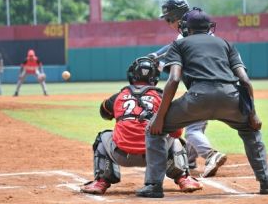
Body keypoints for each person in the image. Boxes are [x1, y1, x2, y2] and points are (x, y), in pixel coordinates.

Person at [137, 8, 268, 198]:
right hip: (231, 98)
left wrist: (159, 118)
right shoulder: (225, 43)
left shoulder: (179, 45)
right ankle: (266, 183)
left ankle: (153, 186)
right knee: (251, 131)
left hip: (197, 99)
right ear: (209, 27)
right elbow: (245, 80)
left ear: (186, 27)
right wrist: (253, 114)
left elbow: (174, 79)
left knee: (154, 130)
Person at [80, 57, 202, 195]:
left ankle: (101, 181)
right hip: (154, 155)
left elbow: (104, 113)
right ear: (155, 77)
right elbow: (176, 133)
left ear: (132, 75)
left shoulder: (119, 95)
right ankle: (184, 178)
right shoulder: (162, 96)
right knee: (175, 139)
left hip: (121, 155)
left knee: (103, 137)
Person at [148, 0, 227, 178]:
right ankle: (190, 159)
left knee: (191, 129)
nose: (168, 23)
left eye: (168, 19)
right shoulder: (198, 28)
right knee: (196, 122)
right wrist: (157, 55)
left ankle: (211, 154)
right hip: (224, 87)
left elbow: (174, 59)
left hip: (203, 88)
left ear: (176, 17)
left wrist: (157, 62)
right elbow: (173, 46)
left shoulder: (188, 33)